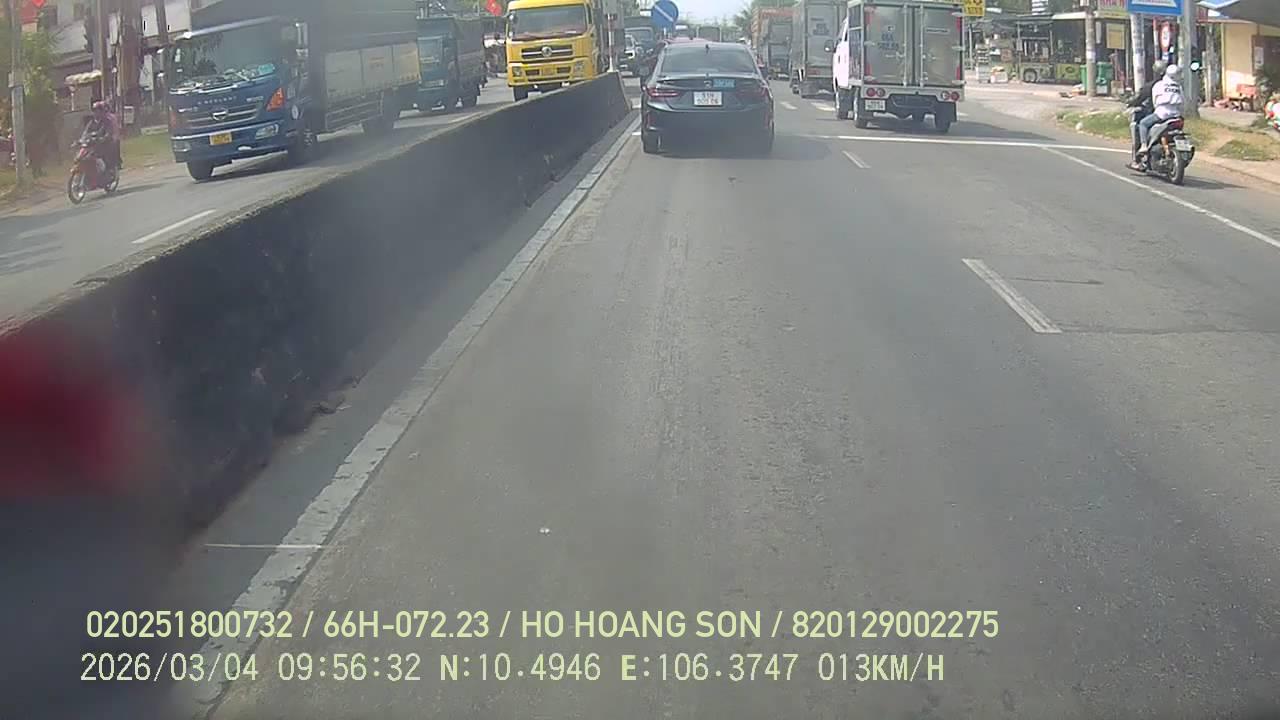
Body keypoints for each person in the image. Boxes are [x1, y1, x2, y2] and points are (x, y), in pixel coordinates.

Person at [1137, 64, 1184, 164]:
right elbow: (1182, 101)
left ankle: (1144, 145)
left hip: (1161, 114)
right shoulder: (1178, 87)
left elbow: (1155, 101)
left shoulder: (1159, 85)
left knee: (1143, 123)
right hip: (1176, 115)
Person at [1126, 59, 1167, 170]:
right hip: (1173, 115)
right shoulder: (1173, 85)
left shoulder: (1152, 86)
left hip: (1156, 114)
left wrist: (1131, 103)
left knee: (1139, 126)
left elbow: (1140, 98)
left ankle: (1138, 157)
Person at [84, 101, 122, 174]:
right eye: (94, 111)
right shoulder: (92, 122)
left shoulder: (107, 120)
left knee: (107, 153)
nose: (96, 113)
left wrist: (104, 138)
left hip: (106, 142)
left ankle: (109, 169)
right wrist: (82, 139)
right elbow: (86, 132)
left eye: (98, 110)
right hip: (94, 143)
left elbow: (110, 131)